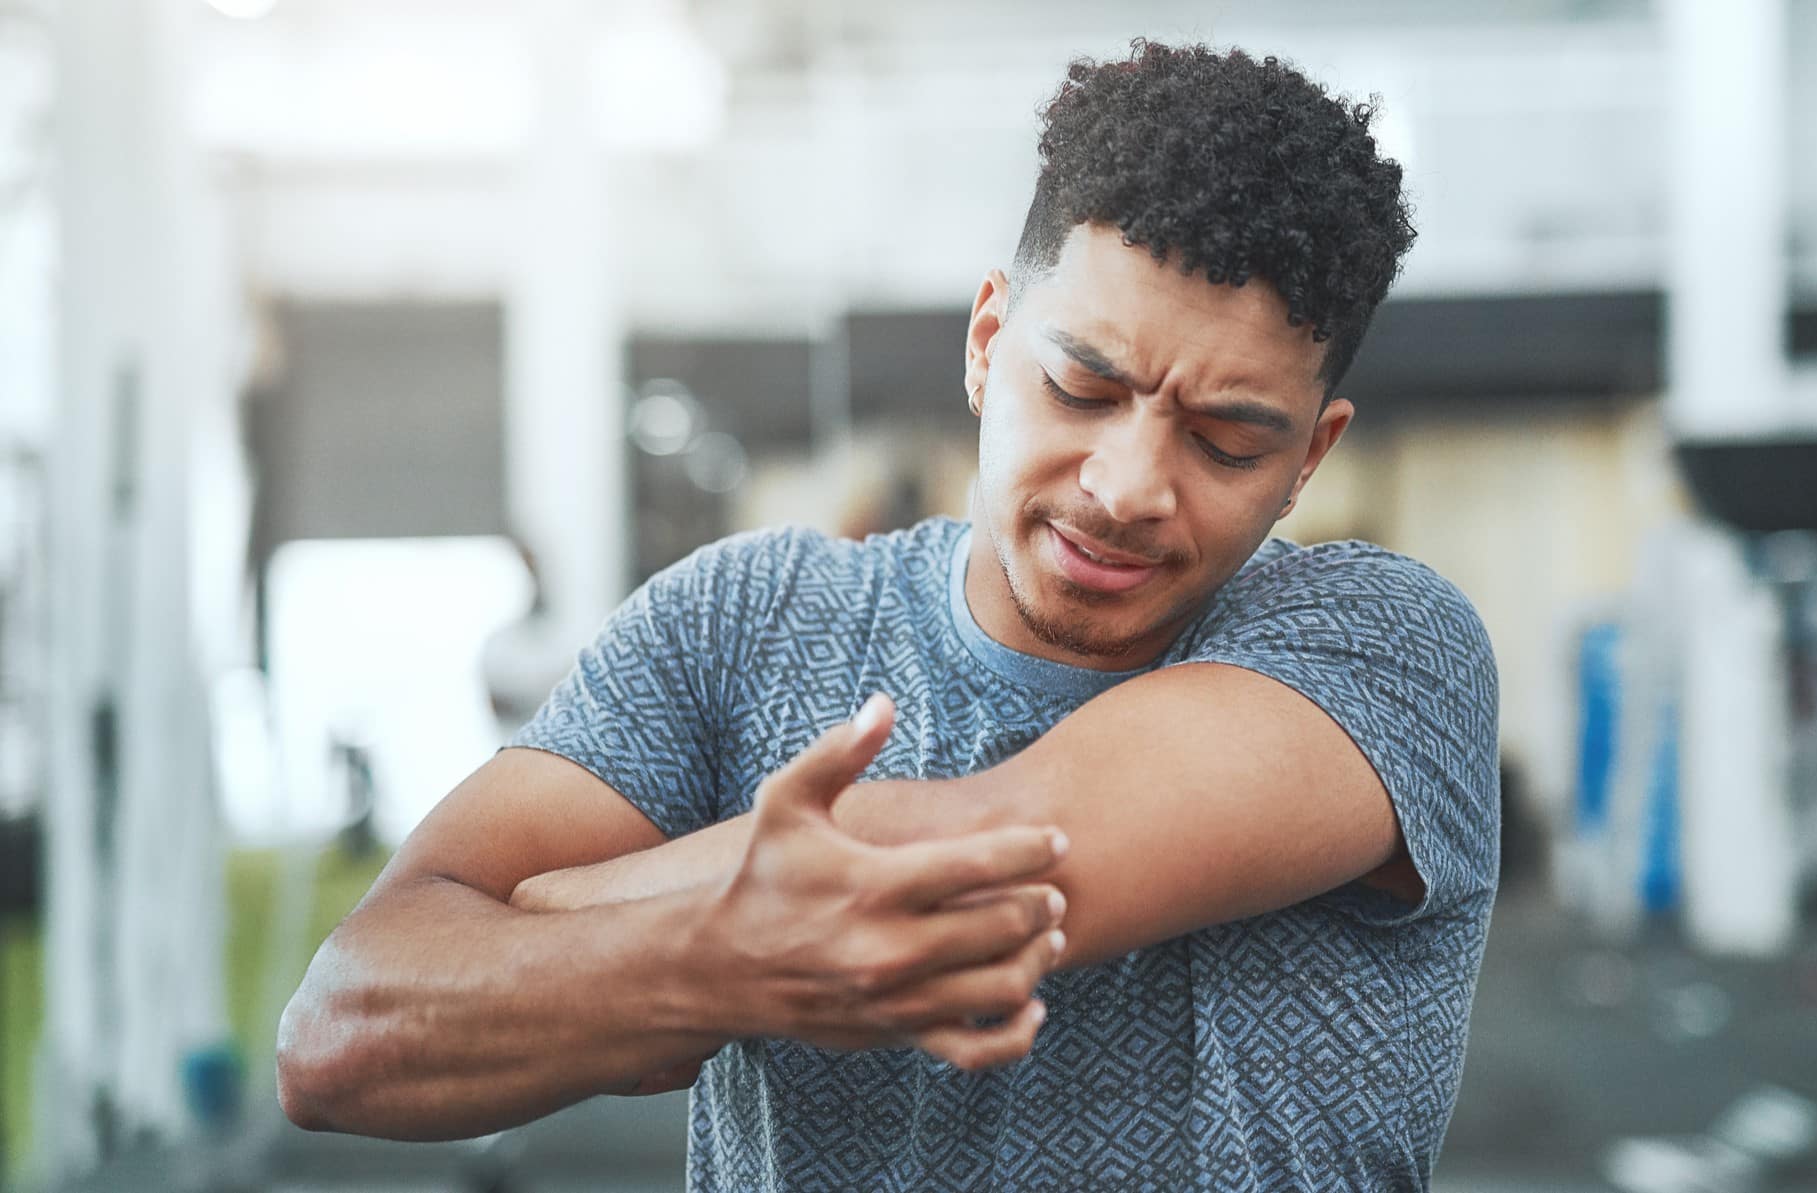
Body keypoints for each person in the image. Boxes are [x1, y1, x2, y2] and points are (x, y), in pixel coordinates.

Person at [276, 40, 1499, 1191]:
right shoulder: (741, 620)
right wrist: (704, 952)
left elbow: (978, 866)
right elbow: (341, 1032)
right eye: (1081, 387)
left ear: (1308, 460)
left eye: (1228, 441)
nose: (1127, 487)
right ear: (984, 344)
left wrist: (559, 923)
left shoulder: (1385, 646)